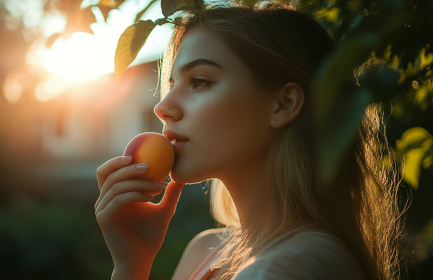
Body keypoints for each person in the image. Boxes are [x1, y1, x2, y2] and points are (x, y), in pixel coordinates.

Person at [94, 1, 406, 279]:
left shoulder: (289, 268)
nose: (162, 108)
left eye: (200, 81)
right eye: (173, 82)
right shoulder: (206, 250)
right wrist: (131, 265)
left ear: (283, 104)